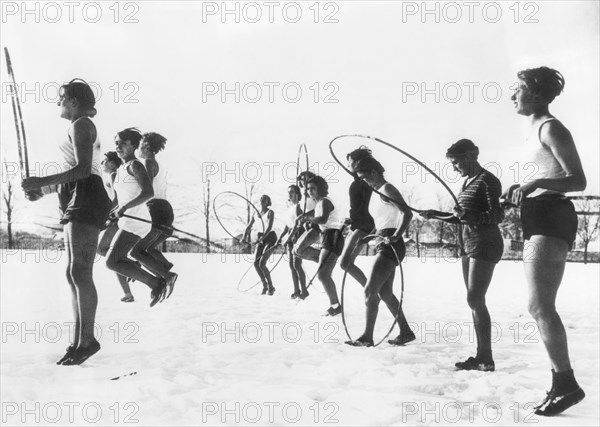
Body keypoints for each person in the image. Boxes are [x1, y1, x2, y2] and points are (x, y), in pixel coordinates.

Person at [504, 66, 586, 416]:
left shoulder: (551, 127)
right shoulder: (532, 131)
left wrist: (535, 184)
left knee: (540, 306)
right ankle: (560, 382)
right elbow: (543, 177)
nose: (512, 95)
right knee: (537, 306)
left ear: (535, 94)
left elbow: (577, 180)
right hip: (536, 215)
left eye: (518, 89)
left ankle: (566, 383)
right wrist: (519, 190)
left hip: (553, 217)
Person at [22, 78, 112, 365]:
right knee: (73, 272)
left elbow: (83, 170)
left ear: (73, 100)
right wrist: (42, 189)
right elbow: (73, 172)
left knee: (80, 271)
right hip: (77, 196)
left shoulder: (81, 124)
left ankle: (87, 340)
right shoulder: (78, 126)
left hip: (87, 196)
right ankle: (78, 342)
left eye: (61, 98)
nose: (58, 103)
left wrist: (42, 180)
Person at [422, 139, 504, 369]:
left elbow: (497, 215)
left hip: (485, 242)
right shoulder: (468, 182)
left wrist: (470, 215)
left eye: (456, 162)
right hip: (469, 243)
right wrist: (435, 214)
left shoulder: (488, 181)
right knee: (473, 300)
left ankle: (486, 358)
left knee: (475, 298)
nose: (454, 168)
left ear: (470, 156)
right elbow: (461, 215)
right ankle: (482, 357)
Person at [345, 156, 414, 347]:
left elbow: (407, 213)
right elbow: (384, 221)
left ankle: (367, 337)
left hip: (391, 244)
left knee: (369, 290)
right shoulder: (379, 193)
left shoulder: (387, 189)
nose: (364, 182)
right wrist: (372, 235)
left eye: (365, 178)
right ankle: (406, 332)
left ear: (374, 173)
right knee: (385, 293)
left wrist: (397, 235)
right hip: (383, 241)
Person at [105, 128, 175, 307]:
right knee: (115, 260)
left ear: (134, 145)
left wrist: (124, 207)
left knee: (112, 261)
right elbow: (121, 198)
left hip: (136, 222)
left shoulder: (136, 165)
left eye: (123, 142)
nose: (118, 146)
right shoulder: (121, 170)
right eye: (116, 143)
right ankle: (155, 279)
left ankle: (157, 281)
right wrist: (112, 213)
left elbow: (148, 192)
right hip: (127, 221)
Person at [129, 132, 178, 298]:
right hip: (164, 209)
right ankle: (164, 268)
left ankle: (166, 275)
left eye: (140, 143)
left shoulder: (149, 162)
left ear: (147, 146)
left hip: (156, 209)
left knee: (136, 251)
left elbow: (146, 191)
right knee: (147, 248)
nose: (137, 148)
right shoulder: (159, 164)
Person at [295, 175, 345, 316]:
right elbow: (314, 213)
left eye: (312, 188)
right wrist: (303, 216)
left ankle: (336, 307)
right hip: (326, 236)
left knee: (323, 276)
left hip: (333, 236)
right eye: (308, 189)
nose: (309, 191)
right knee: (299, 252)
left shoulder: (324, 201)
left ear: (320, 189)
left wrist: (306, 217)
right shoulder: (318, 203)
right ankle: (335, 306)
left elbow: (322, 218)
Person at [97, 151, 135, 302]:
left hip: (118, 219)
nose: (102, 164)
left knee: (102, 249)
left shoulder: (114, 175)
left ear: (113, 163)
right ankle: (127, 293)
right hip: (120, 217)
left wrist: (109, 217)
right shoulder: (118, 175)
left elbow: (117, 200)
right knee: (114, 258)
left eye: (104, 161)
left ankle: (132, 264)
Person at [339, 147, 376, 296]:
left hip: (363, 226)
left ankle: (371, 291)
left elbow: (369, 207)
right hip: (357, 225)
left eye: (350, 162)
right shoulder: (358, 182)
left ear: (357, 162)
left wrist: (372, 229)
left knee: (344, 263)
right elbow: (358, 207)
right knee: (345, 263)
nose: (348, 165)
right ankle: (371, 291)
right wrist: (351, 219)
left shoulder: (366, 182)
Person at [276, 185, 309, 299]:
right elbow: (287, 225)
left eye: (292, 192)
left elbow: (297, 224)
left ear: (297, 194)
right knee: (291, 265)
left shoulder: (299, 207)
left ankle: (304, 291)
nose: (289, 194)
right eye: (288, 192)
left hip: (298, 235)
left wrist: (289, 238)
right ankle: (296, 290)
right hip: (290, 236)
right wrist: (280, 237)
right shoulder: (289, 208)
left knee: (297, 264)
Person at [243, 195, 277, 295]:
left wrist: (262, 238)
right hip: (261, 237)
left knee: (262, 263)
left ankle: (271, 287)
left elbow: (269, 227)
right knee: (256, 263)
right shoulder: (255, 213)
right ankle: (264, 285)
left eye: (265, 199)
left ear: (268, 202)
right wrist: (244, 237)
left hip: (270, 238)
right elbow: (248, 227)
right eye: (261, 199)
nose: (262, 200)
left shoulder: (270, 212)